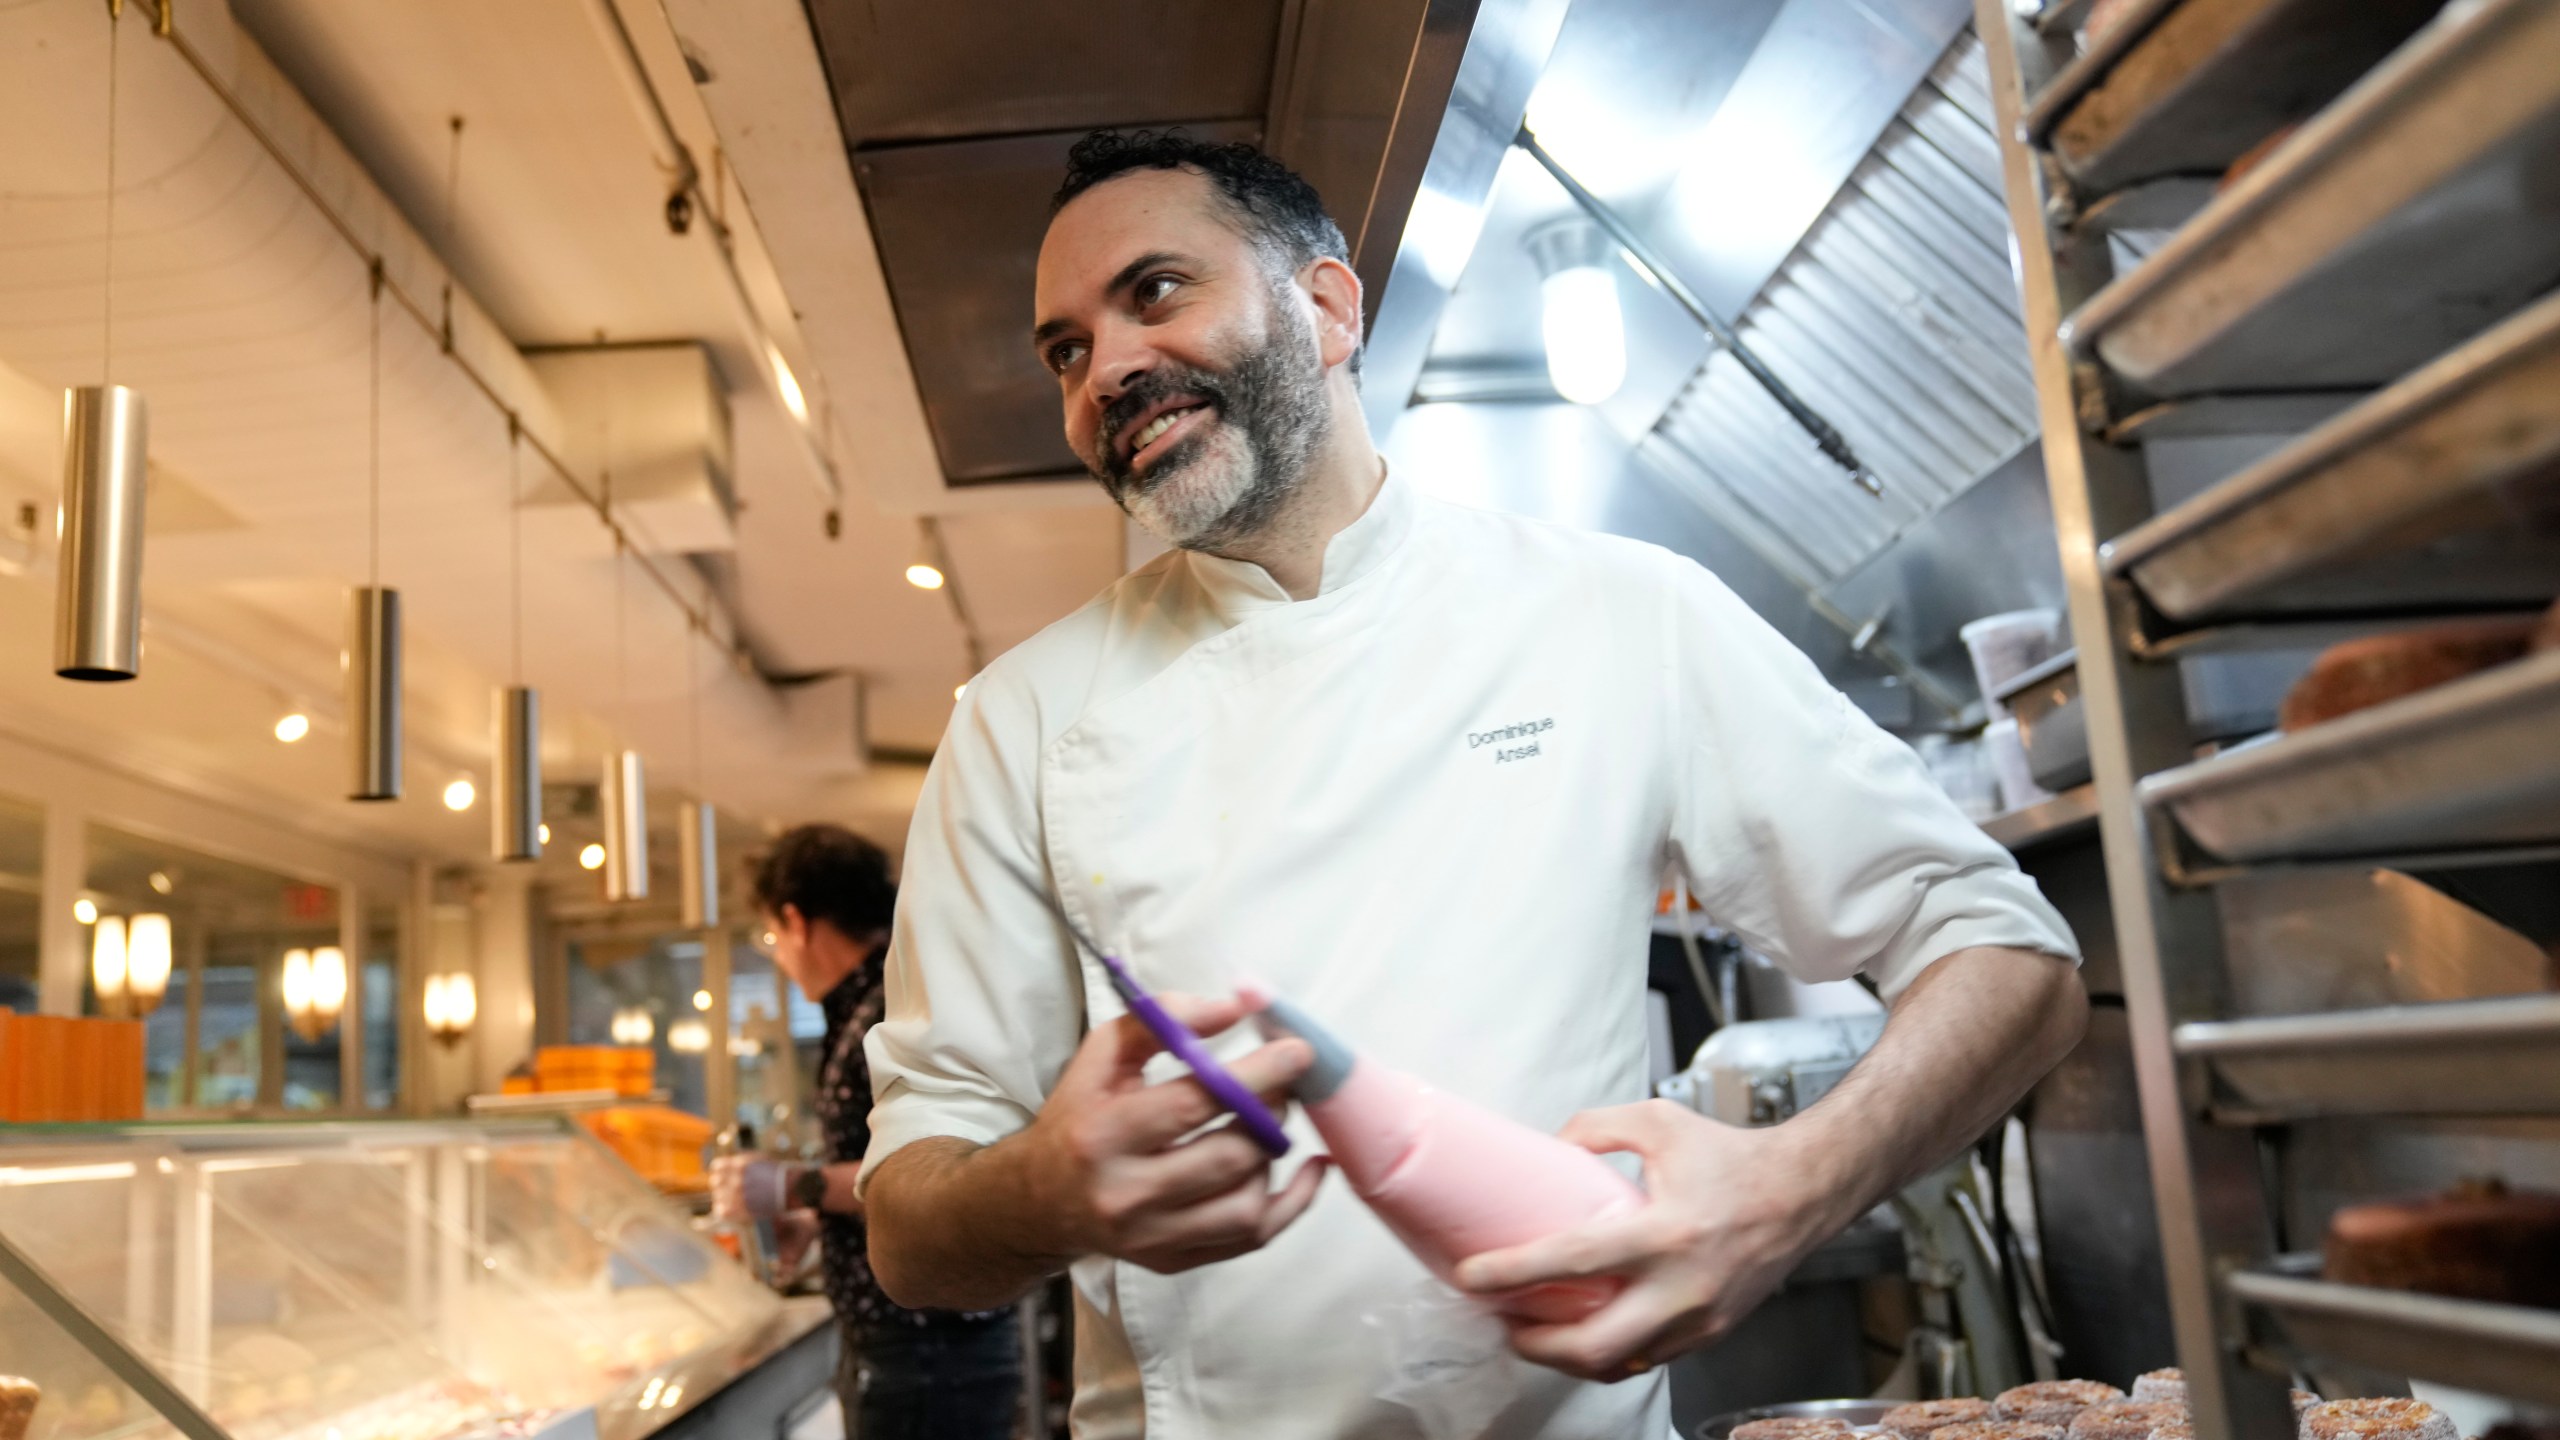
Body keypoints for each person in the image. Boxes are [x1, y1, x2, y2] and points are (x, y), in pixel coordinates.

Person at [858, 130, 2088, 1438]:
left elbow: (2015, 959)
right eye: (1065, 349)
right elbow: (907, 1223)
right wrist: (1041, 1194)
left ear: (1327, 308)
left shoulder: (1620, 613)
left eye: (1154, 292)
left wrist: (1792, 1185)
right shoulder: (1021, 722)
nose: (1104, 369)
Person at [711, 825, 1021, 1439]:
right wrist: (816, 1214)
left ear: (797, 922)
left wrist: (793, 1186)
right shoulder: (879, 999)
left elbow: (944, 1164)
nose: (777, 951)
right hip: (922, 1346)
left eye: (773, 934)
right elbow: (878, 1165)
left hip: (928, 1351)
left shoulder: (889, 1004)